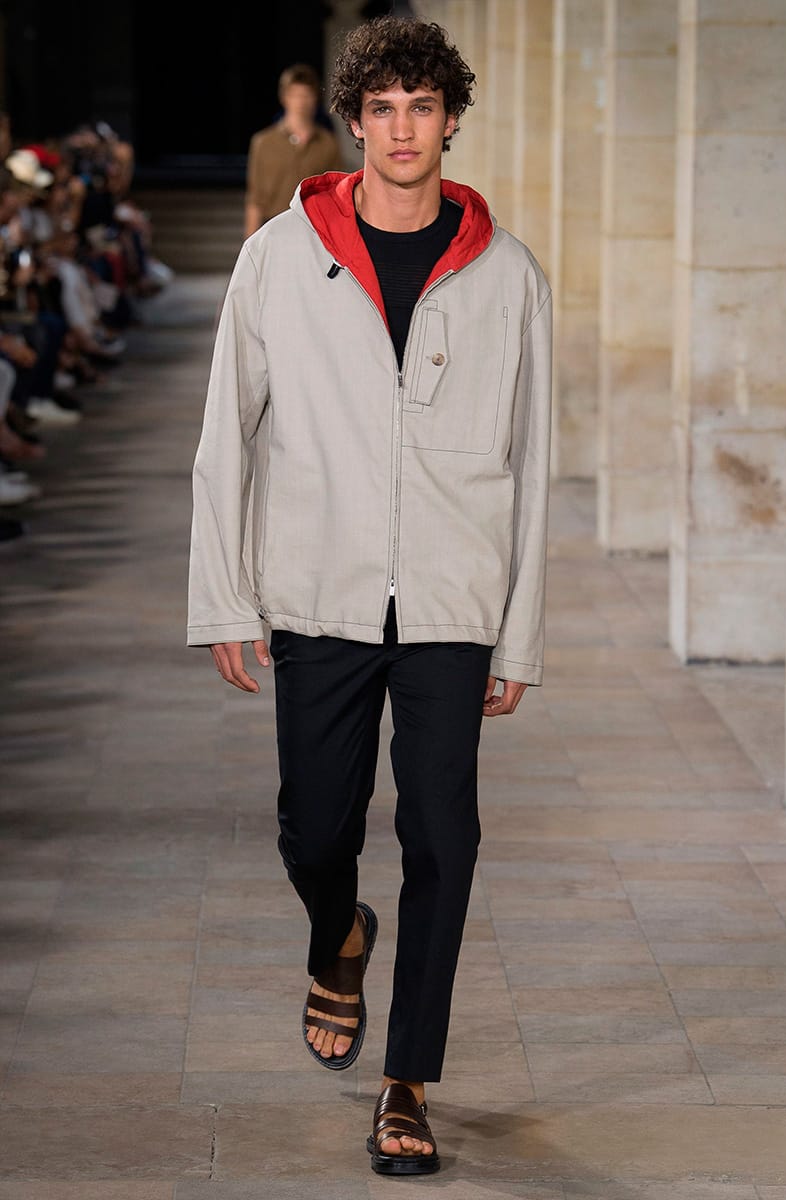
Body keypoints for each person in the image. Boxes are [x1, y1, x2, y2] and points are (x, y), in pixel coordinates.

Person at [188, 15, 552, 1177]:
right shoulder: (280, 258)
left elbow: (533, 461)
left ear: (450, 121)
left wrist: (518, 633)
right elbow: (225, 437)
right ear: (353, 121)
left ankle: (407, 1081)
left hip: (450, 600)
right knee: (315, 830)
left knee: (444, 835)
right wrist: (224, 600)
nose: (401, 129)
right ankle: (337, 932)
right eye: (381, 108)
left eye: (421, 107)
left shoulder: (506, 274)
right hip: (317, 591)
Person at [243, 62, 343, 238]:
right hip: (273, 231)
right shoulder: (263, 143)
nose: (300, 102)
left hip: (315, 232)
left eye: (306, 95)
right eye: (295, 95)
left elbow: (337, 196)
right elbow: (255, 200)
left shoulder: (328, 143)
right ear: (284, 97)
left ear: (315, 98)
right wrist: (249, 244)